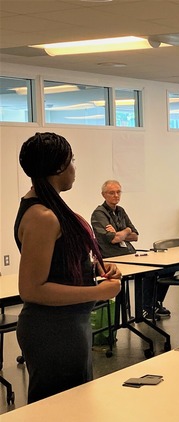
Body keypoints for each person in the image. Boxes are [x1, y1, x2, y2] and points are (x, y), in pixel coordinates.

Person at [14, 132, 122, 403]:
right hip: (52, 330)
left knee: (76, 407)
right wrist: (98, 292)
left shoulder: (51, 208)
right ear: (59, 167)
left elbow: (59, 263)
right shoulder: (42, 216)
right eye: (72, 160)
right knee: (57, 412)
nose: (75, 168)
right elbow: (32, 290)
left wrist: (96, 268)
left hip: (70, 324)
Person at [91, 180, 170, 320]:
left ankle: (151, 304)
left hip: (129, 254)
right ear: (103, 195)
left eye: (118, 192)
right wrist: (123, 233)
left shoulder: (120, 211)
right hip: (113, 258)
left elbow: (135, 236)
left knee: (164, 269)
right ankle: (145, 309)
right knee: (147, 271)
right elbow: (113, 239)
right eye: (111, 192)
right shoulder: (99, 214)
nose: (116, 195)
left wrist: (123, 231)